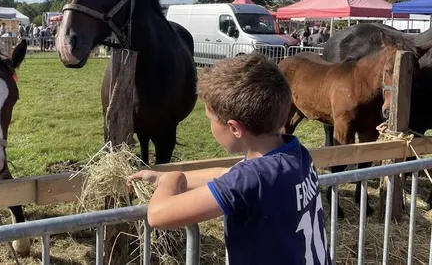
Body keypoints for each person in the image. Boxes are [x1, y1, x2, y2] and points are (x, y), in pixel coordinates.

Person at [128, 54, 330, 265]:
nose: (210, 126)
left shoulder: (251, 180)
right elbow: (228, 175)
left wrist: (174, 177)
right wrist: (161, 178)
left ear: (234, 128)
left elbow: (158, 215)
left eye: (211, 119)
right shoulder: (295, 153)